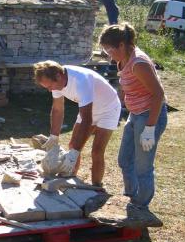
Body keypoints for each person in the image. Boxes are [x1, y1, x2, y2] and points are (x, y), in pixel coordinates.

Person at [99, 23, 167, 206]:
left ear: (121, 45)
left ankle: (141, 206)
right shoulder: (124, 59)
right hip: (135, 115)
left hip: (149, 116)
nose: (108, 54)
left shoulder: (138, 63)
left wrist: (150, 129)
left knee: (143, 167)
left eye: (109, 49)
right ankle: (130, 197)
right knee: (124, 160)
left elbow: (158, 94)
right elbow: (127, 85)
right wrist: (120, 105)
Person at [34, 61, 121, 187]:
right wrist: (54, 136)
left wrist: (75, 152)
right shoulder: (56, 81)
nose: (49, 90)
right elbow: (58, 109)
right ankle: (70, 175)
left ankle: (97, 186)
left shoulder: (81, 80)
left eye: (49, 86)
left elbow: (87, 120)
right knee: (72, 145)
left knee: (97, 151)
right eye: (46, 87)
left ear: (58, 76)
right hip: (88, 108)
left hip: (108, 109)